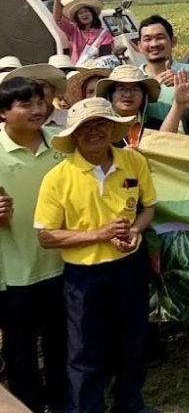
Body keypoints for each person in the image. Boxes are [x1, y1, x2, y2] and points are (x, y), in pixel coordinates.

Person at [35, 97, 157, 413]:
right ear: (74, 134)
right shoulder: (57, 178)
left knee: (133, 341)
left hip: (130, 268)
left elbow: (149, 207)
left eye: (101, 124)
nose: (94, 132)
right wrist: (99, 235)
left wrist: (136, 232)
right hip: (84, 275)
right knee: (85, 351)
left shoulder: (134, 162)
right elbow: (46, 236)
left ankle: (130, 405)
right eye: (85, 127)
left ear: (112, 127)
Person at [0, 79, 68, 413]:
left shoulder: (62, 144)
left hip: (63, 262)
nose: (38, 110)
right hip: (13, 272)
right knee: (20, 349)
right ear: (3, 113)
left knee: (61, 341)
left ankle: (62, 401)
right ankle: (27, 406)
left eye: (40, 102)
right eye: (25, 105)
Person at [136, 15, 189, 122]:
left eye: (160, 38)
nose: (154, 44)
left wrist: (187, 86)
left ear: (173, 41)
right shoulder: (133, 79)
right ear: (139, 46)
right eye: (147, 39)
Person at [95, 65, 164, 145]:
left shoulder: (157, 126)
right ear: (110, 95)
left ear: (144, 96)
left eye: (135, 89)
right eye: (122, 89)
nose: (128, 94)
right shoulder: (100, 127)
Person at [51, 0, 112, 64]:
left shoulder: (104, 34)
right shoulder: (73, 31)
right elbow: (58, 18)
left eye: (86, 11)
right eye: (80, 13)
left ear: (92, 14)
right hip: (77, 70)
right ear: (77, 18)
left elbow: (105, 54)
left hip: (97, 69)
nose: (84, 15)